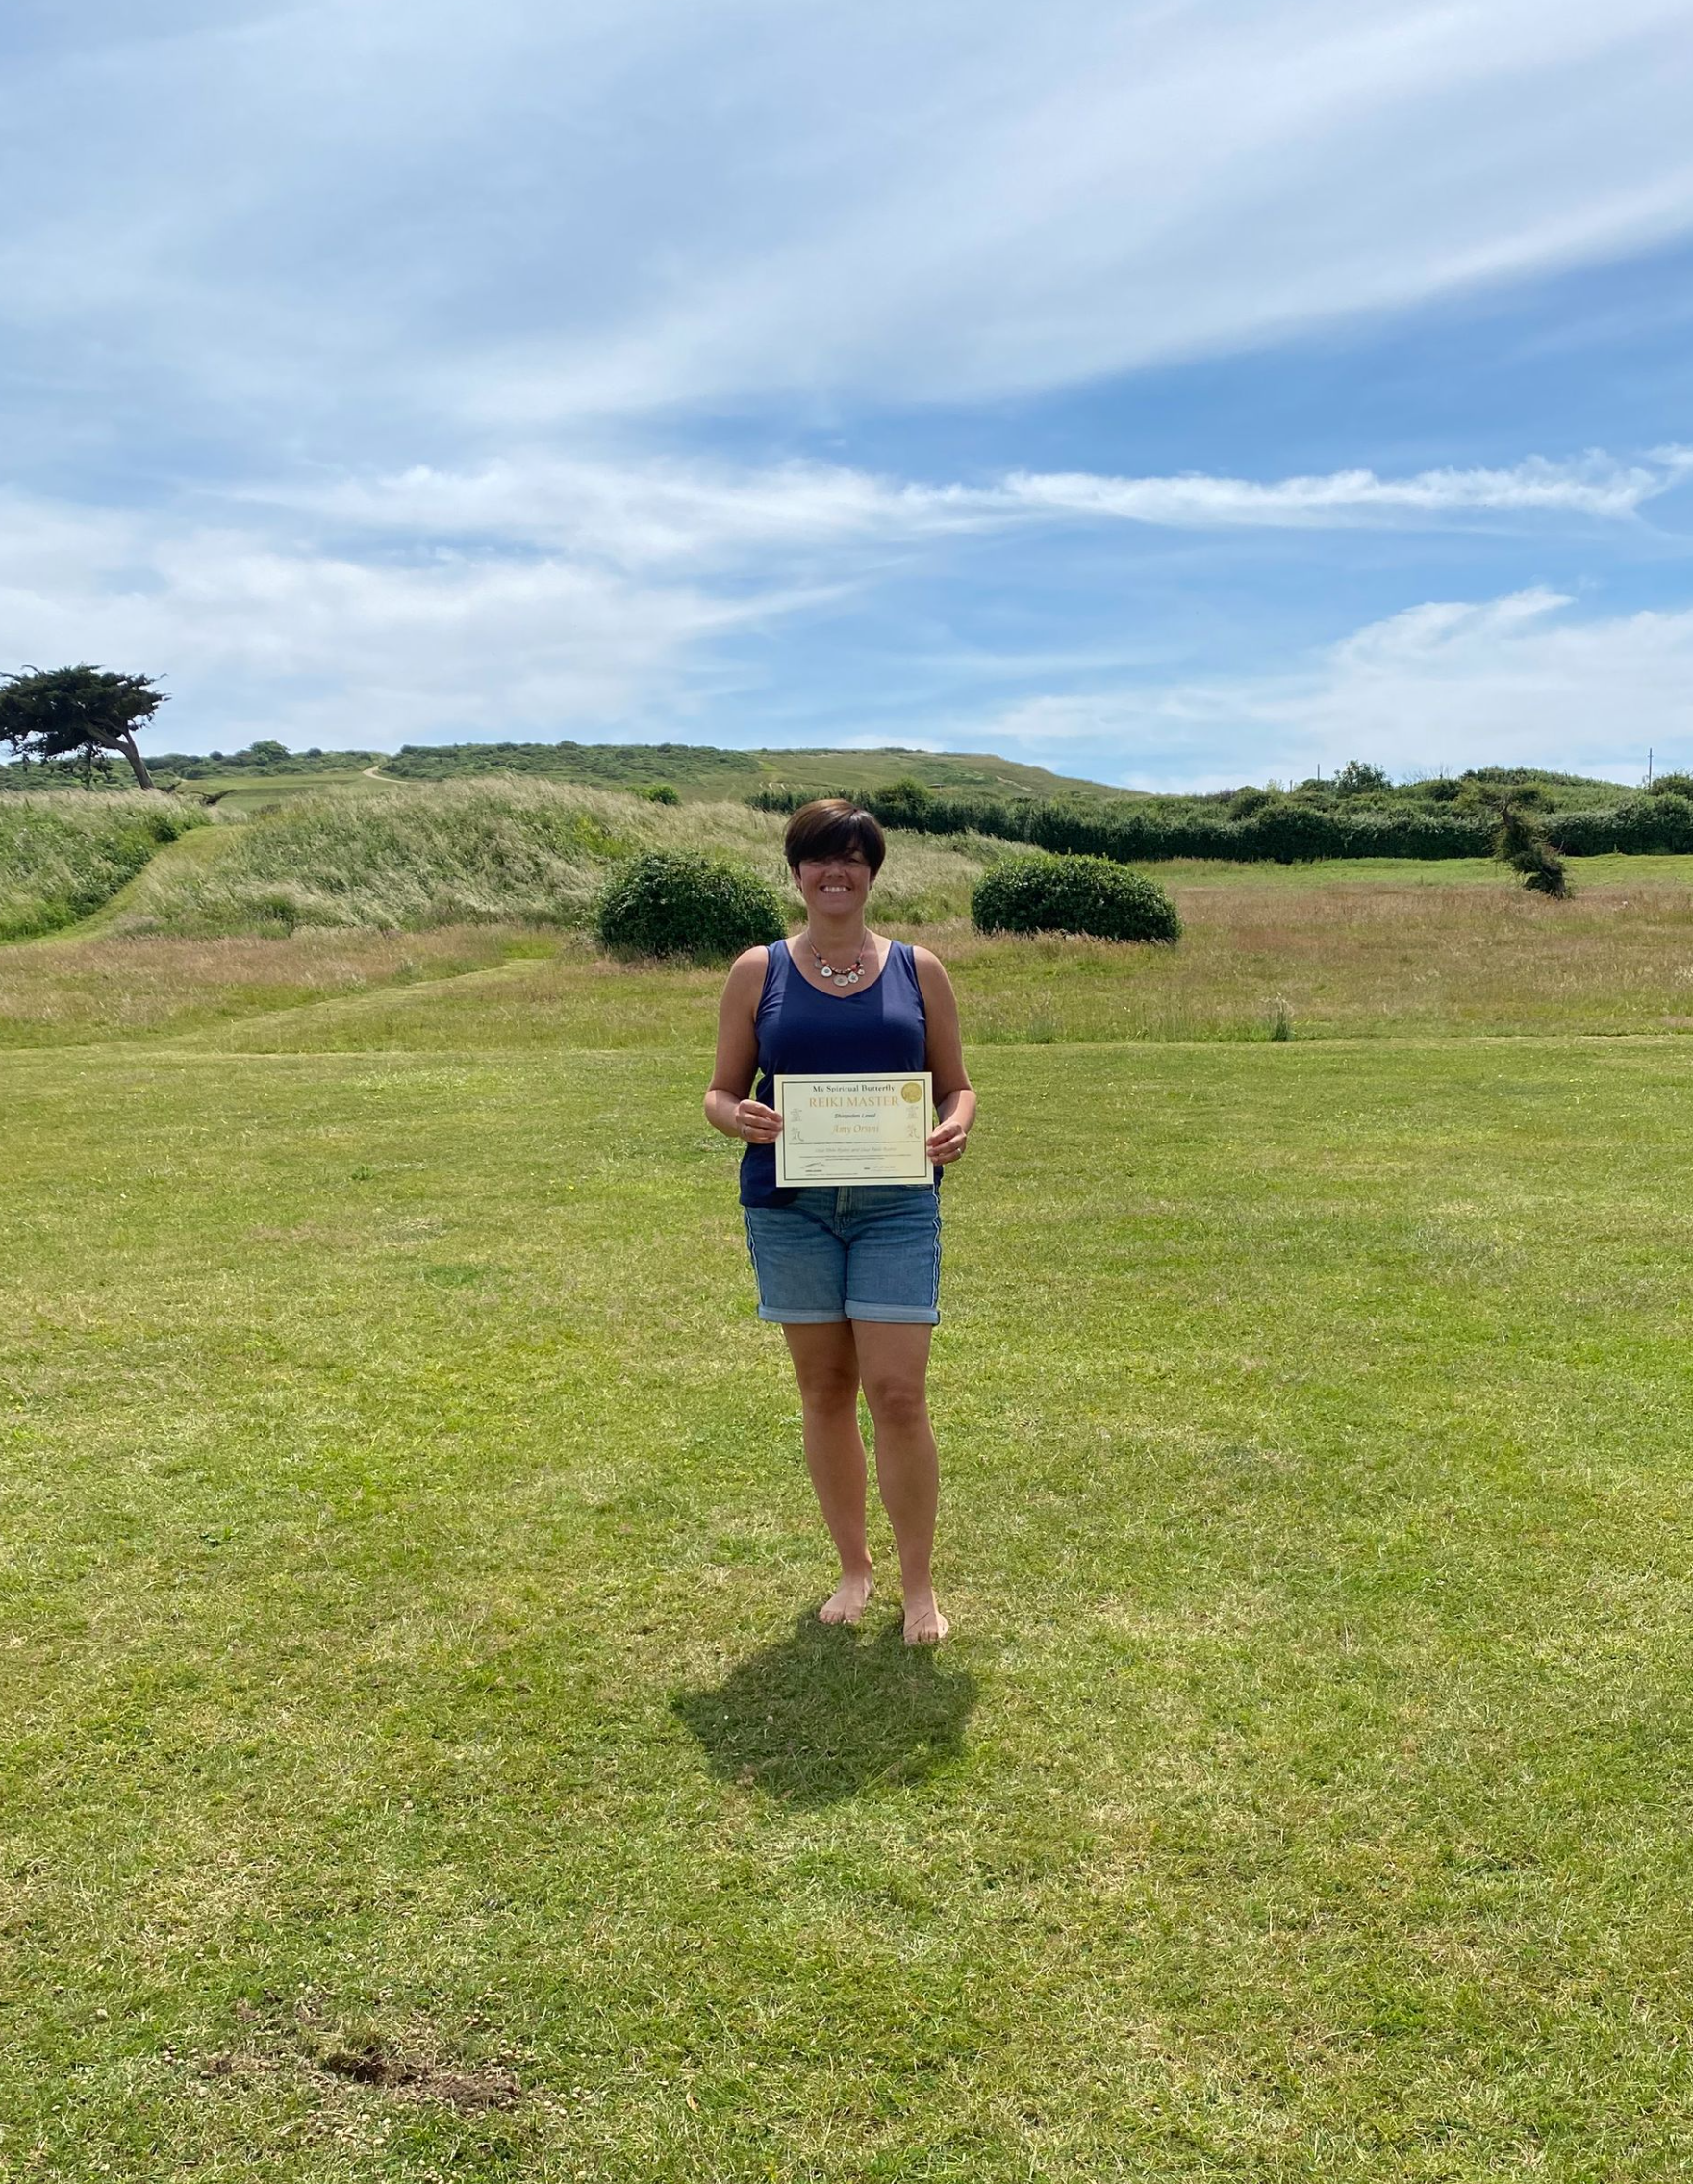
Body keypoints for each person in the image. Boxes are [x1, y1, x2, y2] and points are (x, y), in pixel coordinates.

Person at [704, 798, 975, 1644]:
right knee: (825, 1390)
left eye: (853, 859)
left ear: (871, 873)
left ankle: (919, 1585)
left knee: (898, 1394)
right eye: (821, 858)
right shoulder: (759, 970)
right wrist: (734, 1117)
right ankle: (854, 1569)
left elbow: (956, 1083)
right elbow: (719, 1089)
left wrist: (958, 1121)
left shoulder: (919, 968)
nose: (837, 872)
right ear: (797, 872)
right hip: (793, 1209)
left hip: (897, 1203)